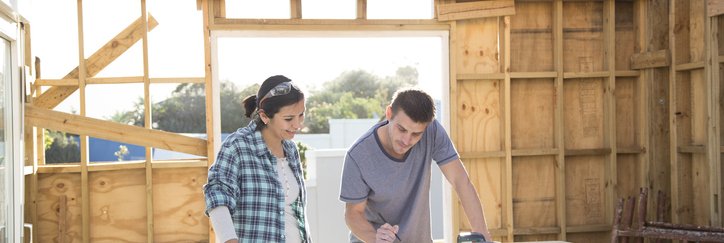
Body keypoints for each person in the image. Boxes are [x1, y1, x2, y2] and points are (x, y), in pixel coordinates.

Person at [339, 88, 492, 243]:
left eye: (416, 134)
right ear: (389, 113)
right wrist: (376, 238)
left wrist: (482, 234)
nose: (406, 140)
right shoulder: (358, 155)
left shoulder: (432, 131)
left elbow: (460, 181)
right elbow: (353, 214)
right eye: (402, 129)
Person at [204, 75, 310, 243]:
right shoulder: (237, 146)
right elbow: (217, 196)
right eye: (289, 118)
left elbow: (294, 215)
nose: (297, 125)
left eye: (301, 115)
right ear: (265, 116)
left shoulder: (291, 150)